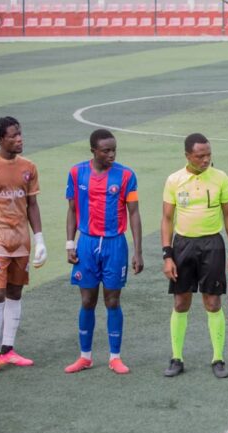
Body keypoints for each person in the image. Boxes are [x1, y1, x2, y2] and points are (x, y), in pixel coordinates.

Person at [63, 129, 144, 375]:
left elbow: (134, 213)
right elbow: (72, 210)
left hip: (114, 245)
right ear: (93, 151)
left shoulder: (126, 175)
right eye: (106, 150)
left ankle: (115, 357)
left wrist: (138, 251)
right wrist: (70, 243)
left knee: (112, 300)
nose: (111, 154)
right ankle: (85, 357)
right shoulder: (77, 173)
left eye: (114, 150)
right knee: (87, 300)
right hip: (86, 244)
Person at [161, 133, 228, 379]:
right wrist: (167, 255)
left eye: (208, 155)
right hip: (182, 245)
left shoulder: (221, 179)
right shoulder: (174, 180)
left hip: (212, 245)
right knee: (181, 302)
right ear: (187, 156)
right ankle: (177, 358)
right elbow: (166, 219)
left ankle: (218, 358)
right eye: (200, 156)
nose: (205, 160)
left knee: (213, 302)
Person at [0, 116, 46, 375]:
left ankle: (9, 349)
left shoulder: (28, 167)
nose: (20, 139)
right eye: (13, 135)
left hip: (21, 241)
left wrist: (39, 238)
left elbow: (32, 204)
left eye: (20, 133)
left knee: (15, 293)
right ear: (0, 140)